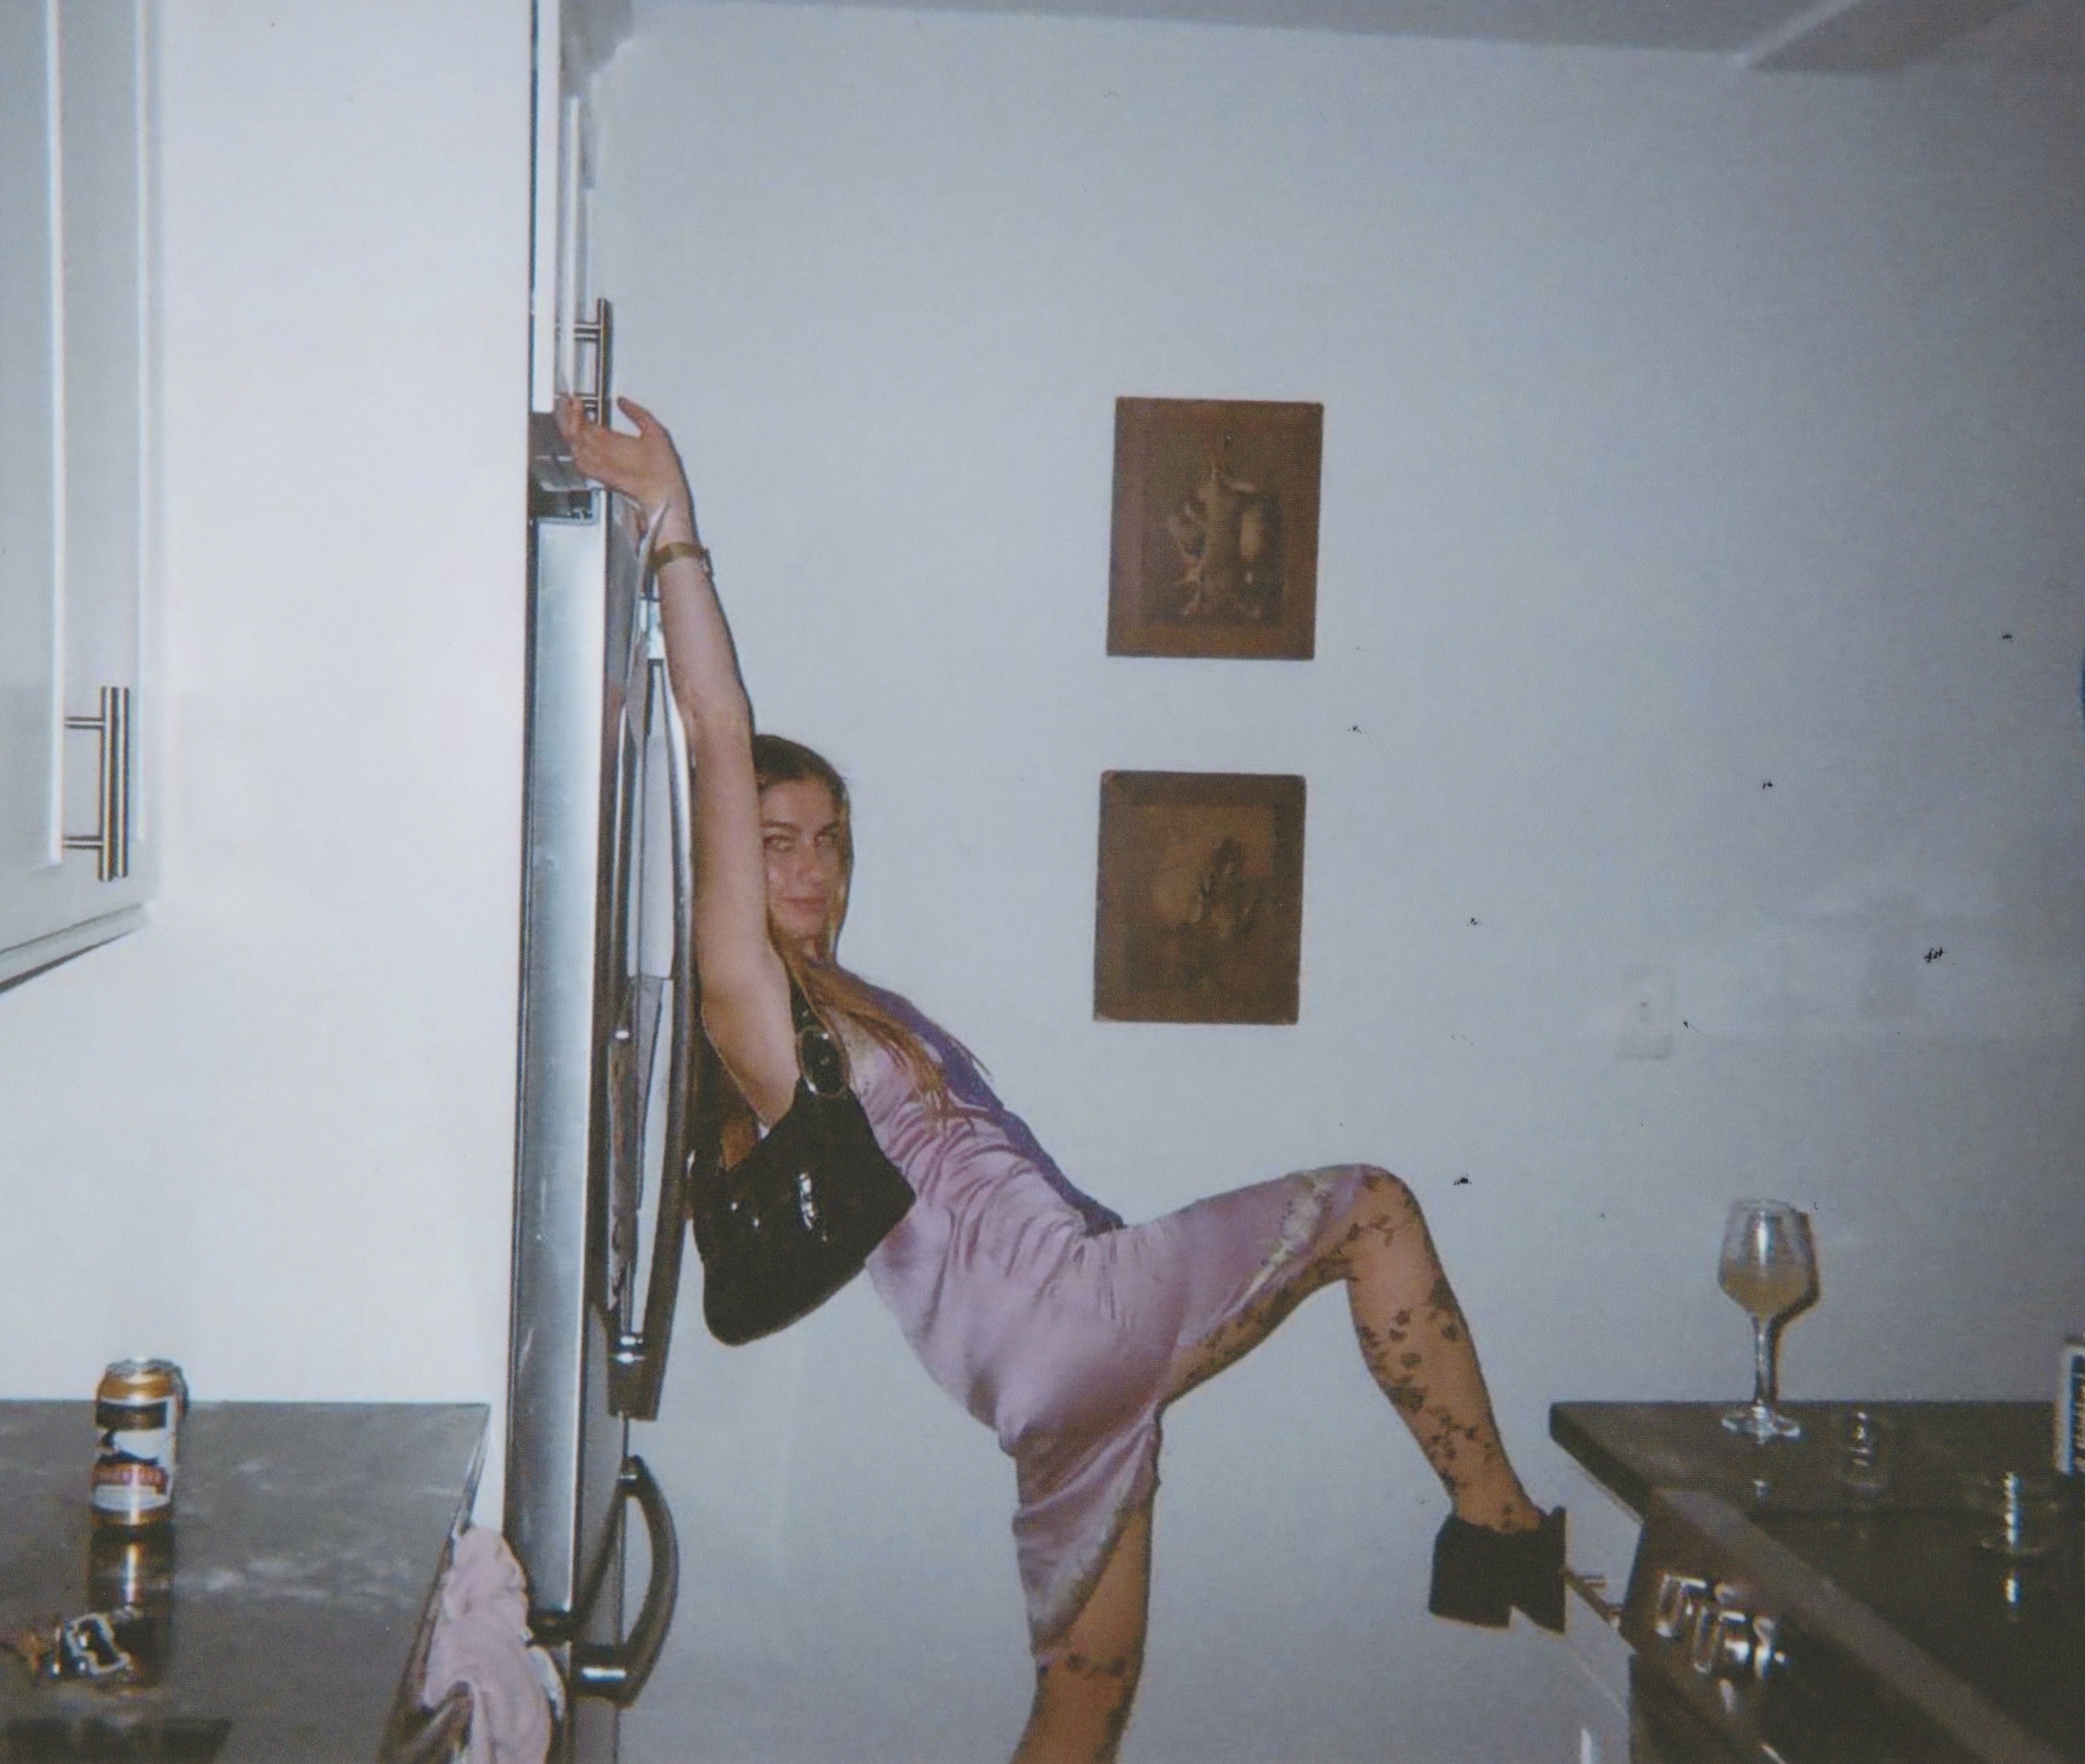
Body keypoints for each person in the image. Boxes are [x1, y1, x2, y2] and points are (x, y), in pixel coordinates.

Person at [556, 396, 1565, 1764]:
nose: (811, 867)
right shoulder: (751, 1006)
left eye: (830, 840)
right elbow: (716, 726)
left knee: (1085, 1696)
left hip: (1037, 1383)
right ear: (725, 860)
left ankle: (1491, 1534)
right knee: (1371, 1203)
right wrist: (673, 521)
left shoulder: (841, 1003)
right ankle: (1499, 1526)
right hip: (1077, 1319)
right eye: (775, 840)